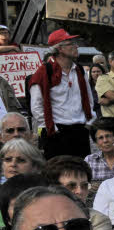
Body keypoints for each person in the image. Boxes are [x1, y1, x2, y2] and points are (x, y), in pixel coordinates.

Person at [27, 29, 95, 159]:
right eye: (71, 43)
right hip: (57, 133)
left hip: (80, 131)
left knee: (80, 172)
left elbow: (88, 98)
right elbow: (36, 106)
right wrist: (53, 129)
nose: (76, 46)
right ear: (60, 49)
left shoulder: (79, 70)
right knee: (57, 174)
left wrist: (89, 122)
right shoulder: (44, 72)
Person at [43, 155, 114, 230]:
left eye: (84, 186)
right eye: (71, 186)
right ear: (53, 188)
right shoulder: (38, 218)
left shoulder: (98, 221)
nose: (79, 191)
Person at [84, 119, 114, 187]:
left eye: (108, 136)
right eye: (101, 138)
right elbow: (84, 185)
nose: (105, 140)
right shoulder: (90, 161)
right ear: (96, 142)